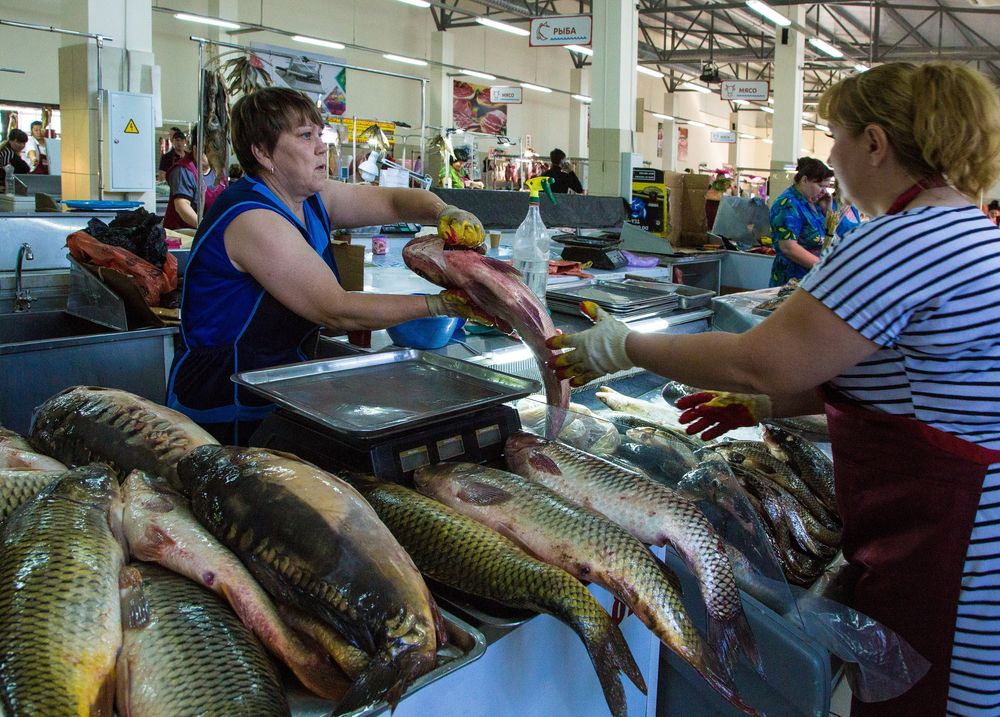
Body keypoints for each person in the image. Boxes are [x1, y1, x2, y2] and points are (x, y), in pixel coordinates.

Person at [548, 61, 1000, 717]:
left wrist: (622, 347)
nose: (834, 159)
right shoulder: (966, 234)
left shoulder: (903, 242)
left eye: (837, 137)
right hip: (960, 530)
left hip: (955, 545)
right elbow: (916, 375)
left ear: (875, 143)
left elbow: (761, 360)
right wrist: (772, 406)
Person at [166, 87, 488, 444]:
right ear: (262, 152)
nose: (322, 147)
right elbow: (337, 310)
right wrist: (440, 305)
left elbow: (396, 202)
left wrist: (444, 211)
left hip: (278, 384)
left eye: (321, 135)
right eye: (305, 136)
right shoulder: (253, 219)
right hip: (226, 401)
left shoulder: (312, 198)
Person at [767, 157, 834, 286]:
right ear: (804, 180)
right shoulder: (788, 204)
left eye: (826, 187)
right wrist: (824, 268)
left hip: (812, 277)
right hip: (792, 279)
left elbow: (827, 236)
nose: (824, 191)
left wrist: (827, 210)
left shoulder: (814, 203)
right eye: (820, 186)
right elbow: (788, 247)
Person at [162, 128, 226, 230]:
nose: (213, 159)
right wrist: (206, 228)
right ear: (196, 150)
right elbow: (182, 206)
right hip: (183, 234)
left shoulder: (217, 169)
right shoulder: (183, 170)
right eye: (209, 154)